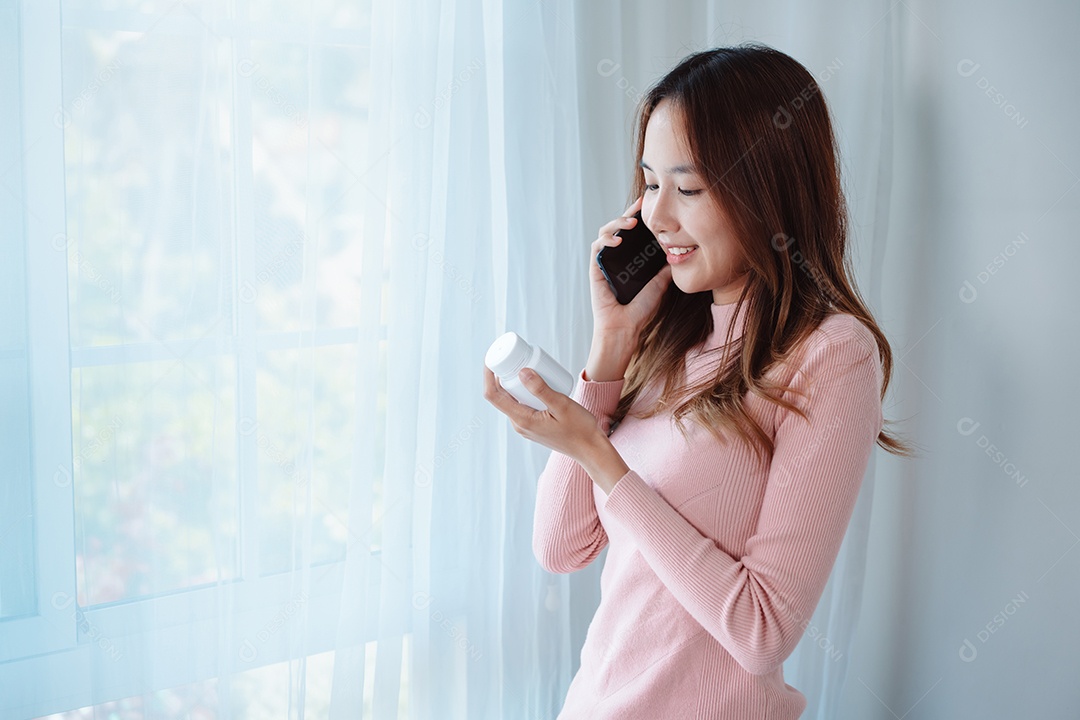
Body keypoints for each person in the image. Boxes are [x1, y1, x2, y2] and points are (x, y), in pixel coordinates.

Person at [483, 43, 911, 719]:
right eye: (649, 183)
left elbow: (763, 631)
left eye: (686, 188)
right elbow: (561, 548)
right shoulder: (662, 339)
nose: (656, 215)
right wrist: (611, 344)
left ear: (765, 189)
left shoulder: (830, 354)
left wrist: (599, 456)